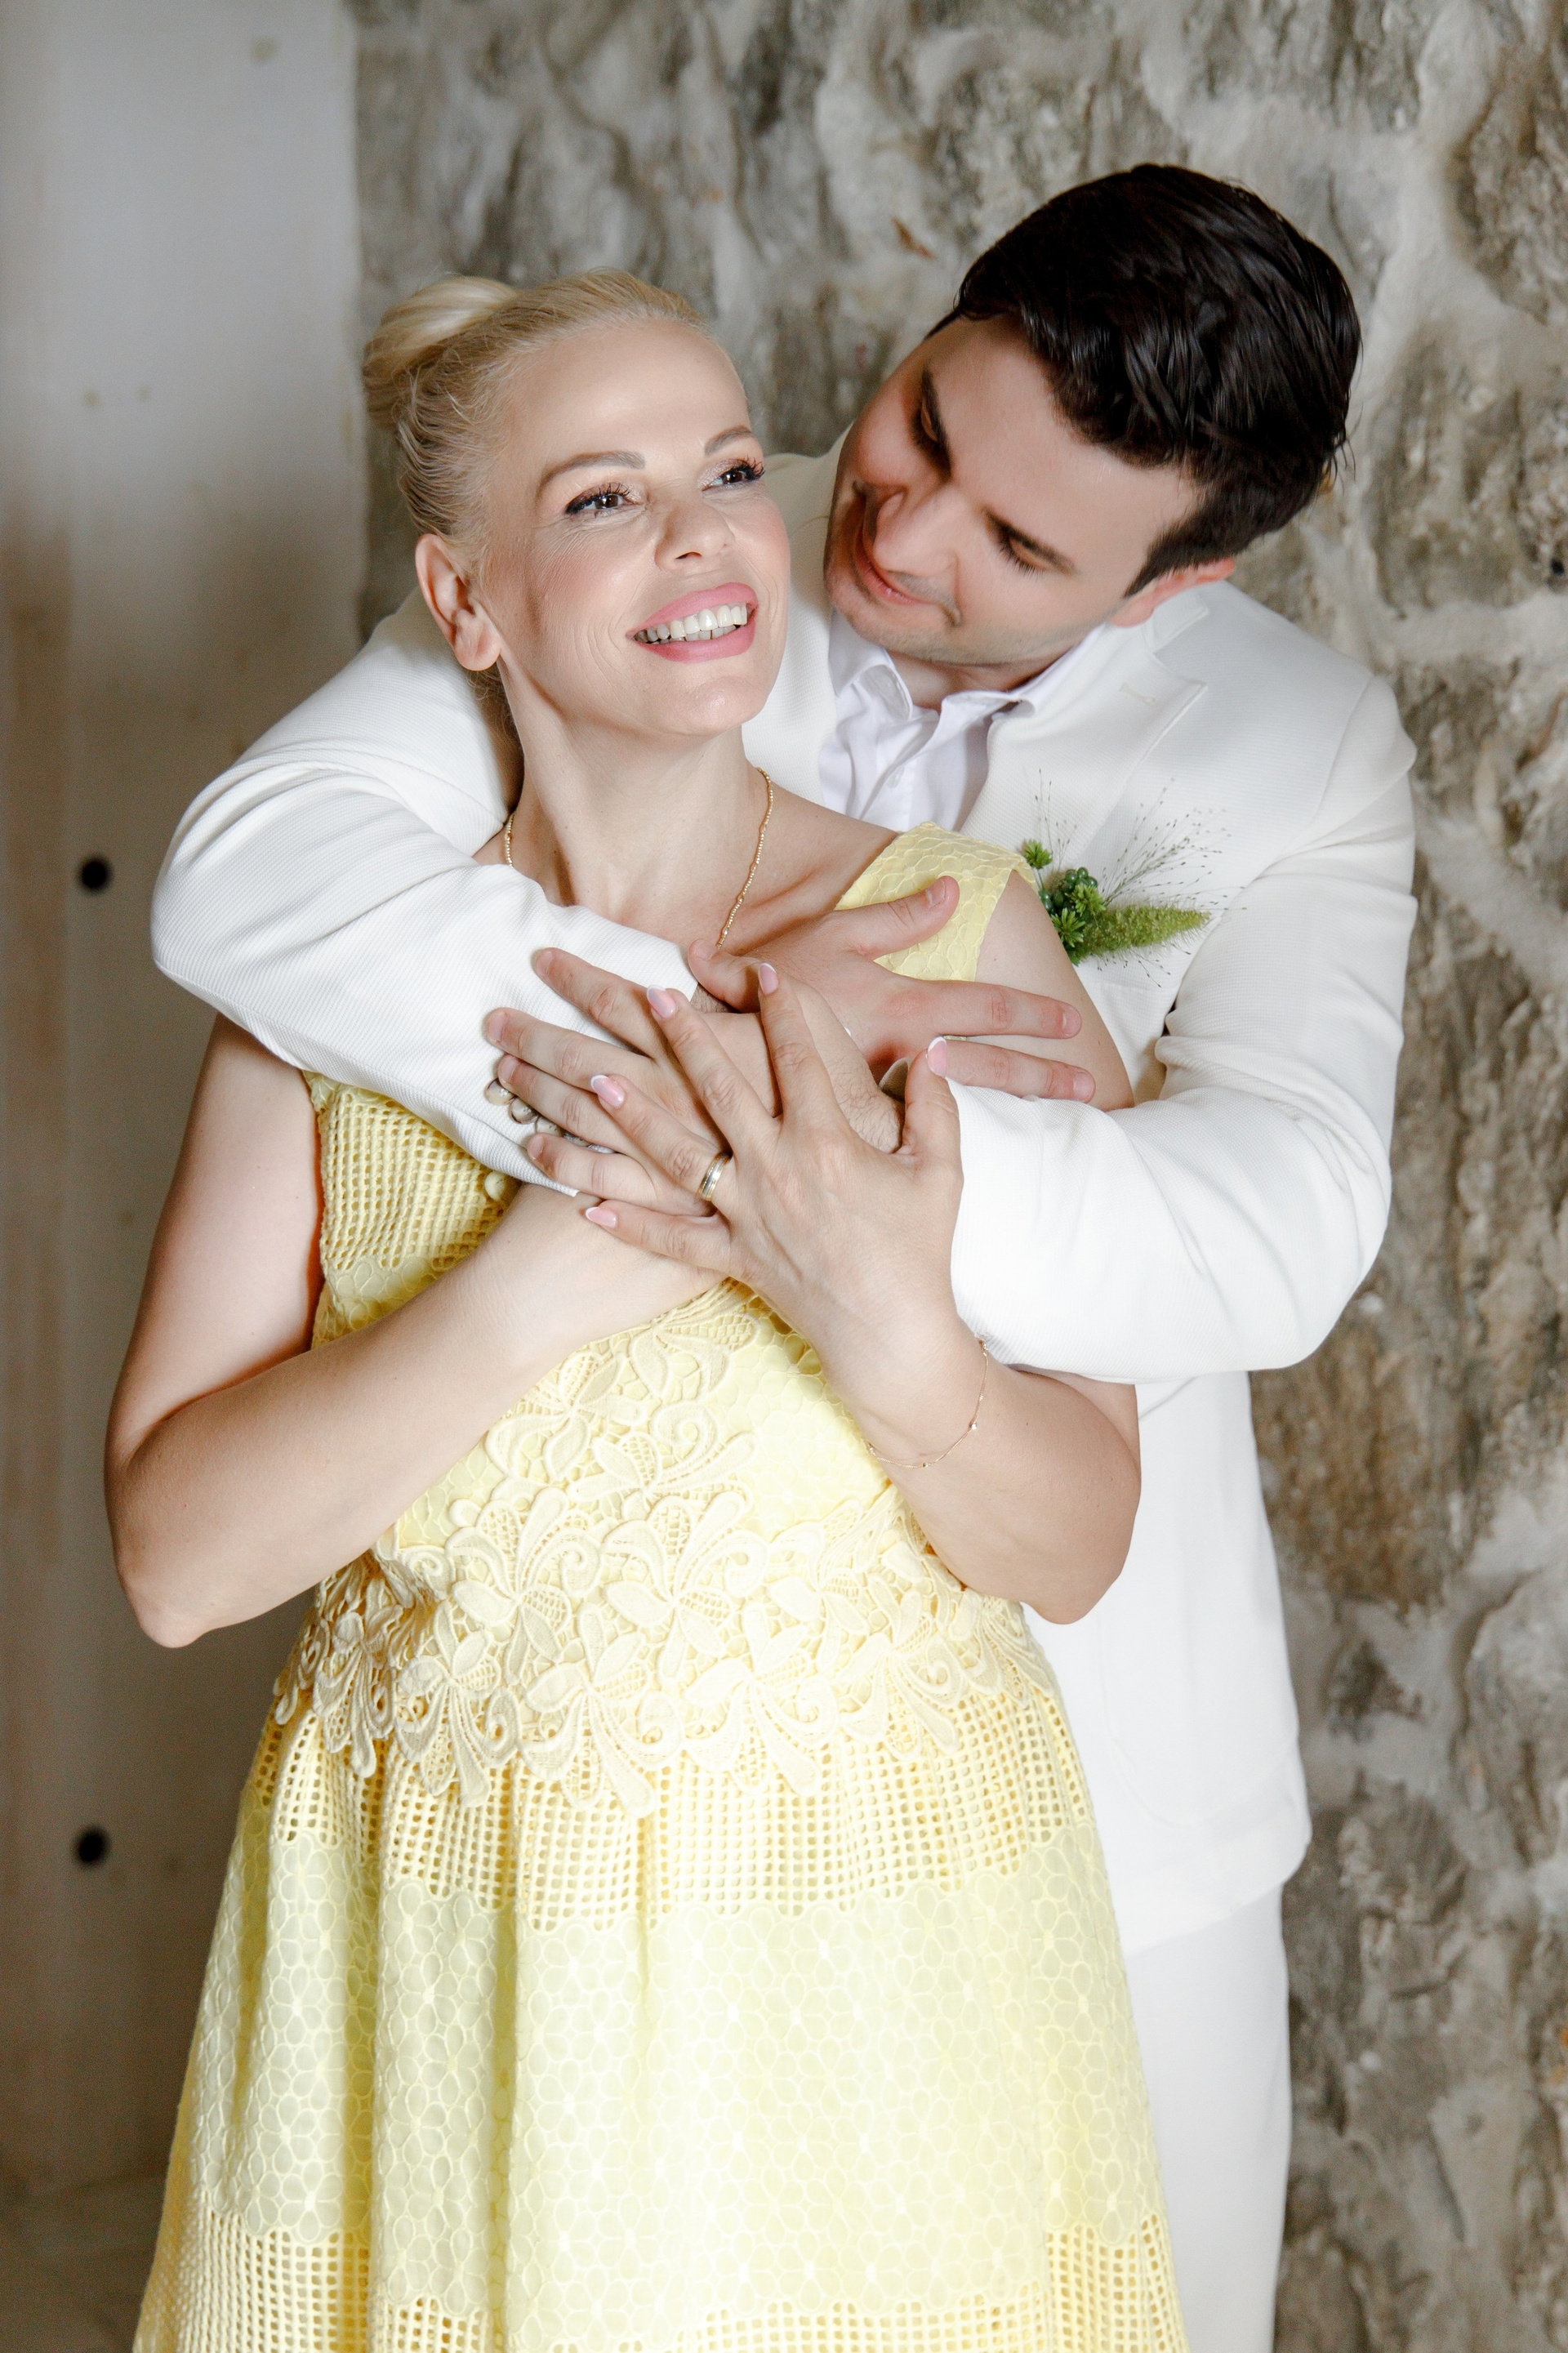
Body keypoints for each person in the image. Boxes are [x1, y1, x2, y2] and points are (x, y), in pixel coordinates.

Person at [150, 167, 1419, 2351]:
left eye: (1019, 546)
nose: (894, 535)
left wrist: (869, 1172)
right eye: (918, 427)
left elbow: (1280, 1229)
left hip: (1016, 1758)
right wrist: (715, 1075)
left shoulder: (1292, 758)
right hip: (481, 1863)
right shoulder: (653, 531)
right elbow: (254, 878)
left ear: (1166, 588)